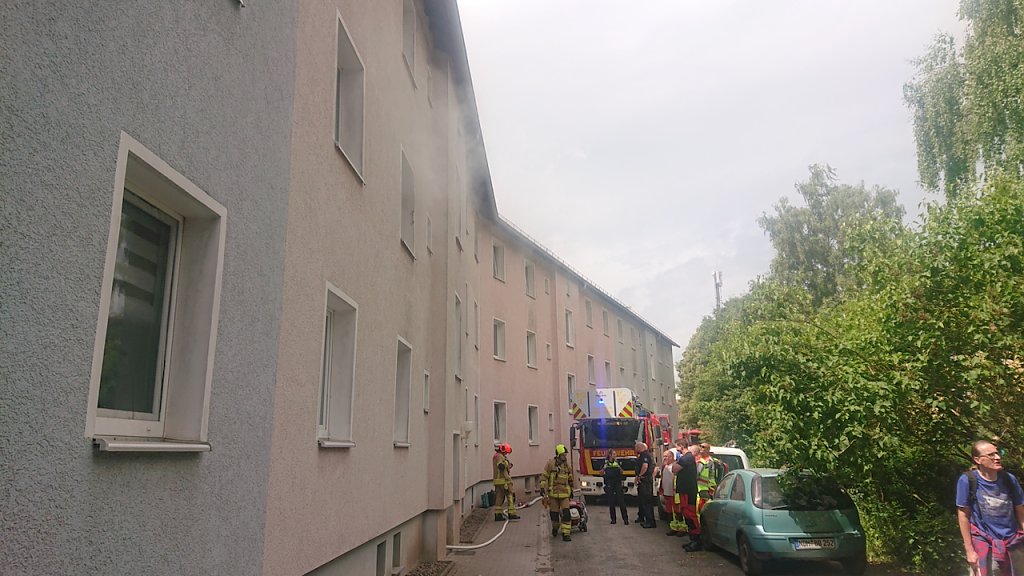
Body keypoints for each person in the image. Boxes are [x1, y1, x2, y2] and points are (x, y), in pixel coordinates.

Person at [956, 440, 1024, 575]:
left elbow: (1020, 511)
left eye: (997, 453)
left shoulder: (1009, 480)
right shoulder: (967, 480)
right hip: (985, 544)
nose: (997, 457)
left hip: (1013, 543)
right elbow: (963, 515)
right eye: (991, 455)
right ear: (978, 460)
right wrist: (969, 551)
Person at [541, 443, 577, 542]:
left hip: (565, 494)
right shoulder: (550, 464)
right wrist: (542, 488)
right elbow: (544, 476)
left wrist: (571, 490)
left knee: (566, 514)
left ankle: (566, 534)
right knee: (554, 515)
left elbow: (570, 479)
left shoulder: (566, 466)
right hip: (553, 494)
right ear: (558, 455)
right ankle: (555, 527)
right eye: (563, 455)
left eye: (565, 455)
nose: (565, 457)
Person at [672, 442, 702, 551]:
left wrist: (676, 464)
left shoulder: (686, 458)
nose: (676, 449)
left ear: (681, 446)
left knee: (690, 514)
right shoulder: (686, 458)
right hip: (685, 490)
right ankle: (693, 539)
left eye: (676, 446)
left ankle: (697, 541)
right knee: (686, 514)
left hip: (688, 491)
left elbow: (674, 469)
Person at [492, 443, 520, 521]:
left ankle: (498, 515)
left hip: (497, 481)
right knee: (510, 495)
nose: (506, 454)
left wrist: (509, 465)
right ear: (503, 451)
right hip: (504, 481)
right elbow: (501, 466)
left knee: (499, 498)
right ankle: (512, 513)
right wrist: (505, 466)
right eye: (506, 452)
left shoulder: (496, 456)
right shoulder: (500, 456)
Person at [602, 449, 628, 524]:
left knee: (621, 502)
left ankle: (625, 519)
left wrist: (618, 466)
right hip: (609, 483)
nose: (615, 455)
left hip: (617, 483)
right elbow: (600, 473)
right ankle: (613, 519)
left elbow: (622, 472)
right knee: (611, 502)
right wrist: (604, 467)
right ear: (610, 455)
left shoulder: (617, 462)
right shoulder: (605, 463)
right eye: (614, 454)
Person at [635, 441, 657, 528]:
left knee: (646, 502)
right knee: (642, 501)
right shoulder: (645, 455)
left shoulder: (645, 455)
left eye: (636, 447)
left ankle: (650, 521)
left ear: (640, 447)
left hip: (645, 481)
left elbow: (645, 466)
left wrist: (639, 476)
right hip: (645, 481)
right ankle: (643, 518)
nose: (635, 449)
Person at [660, 450, 681, 536]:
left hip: (673, 493)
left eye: (666, 456)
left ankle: (679, 528)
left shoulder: (674, 466)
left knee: (676, 511)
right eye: (664, 456)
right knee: (669, 511)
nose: (664, 458)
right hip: (666, 492)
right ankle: (673, 527)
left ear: (671, 457)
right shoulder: (665, 466)